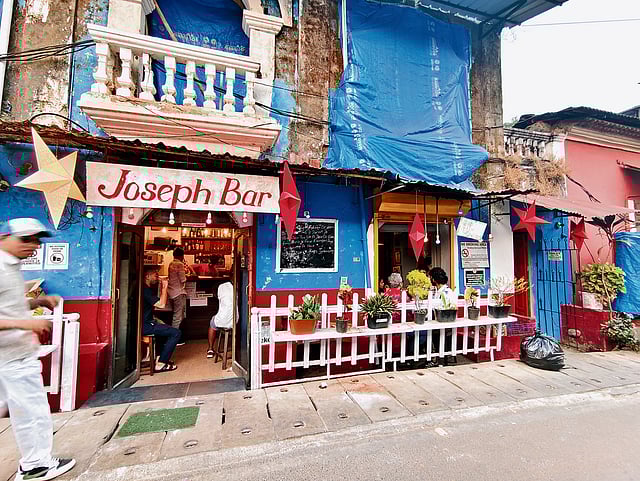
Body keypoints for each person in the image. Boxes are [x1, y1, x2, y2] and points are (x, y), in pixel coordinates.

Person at [0, 218, 76, 481]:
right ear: (4, 237)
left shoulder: (11, 266)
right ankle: (35, 466)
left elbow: (7, 304)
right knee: (32, 412)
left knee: (25, 410)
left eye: (37, 240)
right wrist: (25, 323)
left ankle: (34, 463)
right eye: (26, 239)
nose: (33, 245)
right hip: (11, 357)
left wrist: (37, 302)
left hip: (15, 354)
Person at [142, 266, 180, 372]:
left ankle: (159, 358)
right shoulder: (146, 290)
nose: (157, 277)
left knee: (163, 328)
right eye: (155, 275)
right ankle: (161, 363)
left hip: (145, 322)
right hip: (145, 325)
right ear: (147, 276)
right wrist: (164, 287)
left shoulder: (145, 289)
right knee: (176, 333)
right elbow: (161, 305)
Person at [429, 267, 458, 366]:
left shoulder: (444, 292)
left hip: (443, 321)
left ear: (434, 279)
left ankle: (436, 358)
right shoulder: (443, 291)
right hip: (446, 320)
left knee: (427, 332)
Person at [207, 281, 236, 359]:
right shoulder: (236, 288)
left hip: (222, 320)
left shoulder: (221, 287)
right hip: (235, 320)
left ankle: (210, 349)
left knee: (212, 323)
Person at [167, 247, 192, 338]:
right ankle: (174, 337)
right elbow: (183, 279)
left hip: (171, 292)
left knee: (176, 315)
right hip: (178, 292)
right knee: (178, 316)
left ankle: (175, 335)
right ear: (182, 255)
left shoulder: (171, 263)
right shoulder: (179, 264)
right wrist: (188, 274)